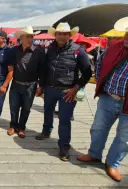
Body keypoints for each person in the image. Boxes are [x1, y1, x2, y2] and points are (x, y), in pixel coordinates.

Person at [77, 16, 128, 182]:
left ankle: (113, 164)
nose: (125, 37)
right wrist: (100, 82)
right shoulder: (116, 46)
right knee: (97, 129)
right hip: (108, 98)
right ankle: (94, 154)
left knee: (125, 139)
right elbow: (100, 63)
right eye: (127, 33)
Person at [35, 22, 92, 162]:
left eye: (65, 34)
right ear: (55, 35)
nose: (62, 36)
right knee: (47, 111)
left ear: (69, 35)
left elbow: (87, 73)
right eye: (59, 33)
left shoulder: (78, 51)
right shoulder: (49, 49)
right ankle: (46, 131)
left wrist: (76, 88)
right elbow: (44, 70)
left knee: (64, 120)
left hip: (68, 91)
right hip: (49, 88)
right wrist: (41, 86)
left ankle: (64, 147)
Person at [6, 26, 46, 138]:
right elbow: (11, 68)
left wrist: (41, 86)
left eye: (31, 37)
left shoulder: (39, 51)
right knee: (13, 107)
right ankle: (13, 126)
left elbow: (42, 70)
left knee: (26, 108)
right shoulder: (14, 50)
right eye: (27, 37)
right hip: (16, 83)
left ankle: (22, 127)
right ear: (21, 38)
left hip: (31, 85)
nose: (30, 39)